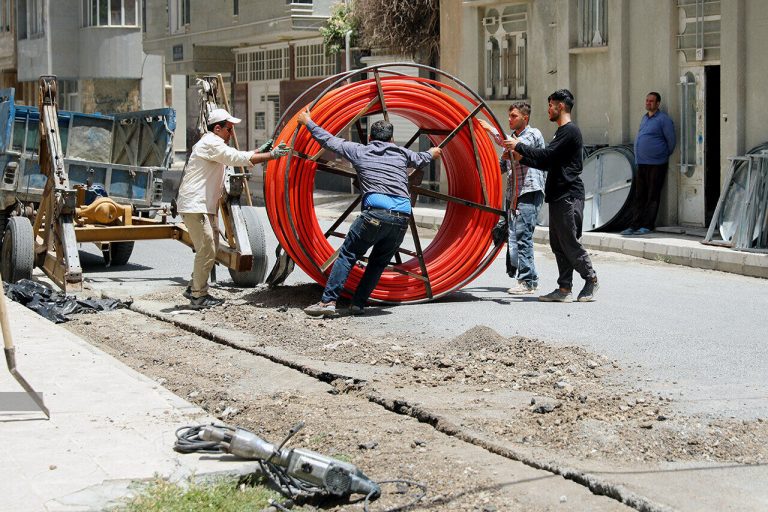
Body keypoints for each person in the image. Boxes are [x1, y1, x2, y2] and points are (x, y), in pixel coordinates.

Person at [297, 108, 442, 317]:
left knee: (348, 254)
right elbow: (422, 158)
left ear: (369, 138)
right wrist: (433, 153)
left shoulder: (360, 151)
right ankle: (358, 304)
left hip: (375, 215)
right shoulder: (402, 153)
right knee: (378, 263)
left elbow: (328, 141)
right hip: (402, 218)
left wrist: (308, 122)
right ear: (392, 139)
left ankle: (328, 302)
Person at [177, 108, 288, 308]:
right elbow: (235, 158)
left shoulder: (215, 143)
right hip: (195, 205)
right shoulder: (211, 143)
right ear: (217, 128)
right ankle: (198, 296)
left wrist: (258, 152)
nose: (231, 133)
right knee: (207, 248)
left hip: (203, 205)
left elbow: (235, 155)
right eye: (229, 129)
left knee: (212, 247)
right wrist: (271, 155)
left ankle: (194, 287)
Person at [504, 89, 599, 303]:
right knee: (558, 244)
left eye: (551, 105)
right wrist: (521, 157)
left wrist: (519, 146)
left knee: (569, 241)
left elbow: (548, 154)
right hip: (558, 196)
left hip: (569, 195)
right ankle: (564, 289)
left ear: (561, 106)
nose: (548, 109)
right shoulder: (560, 133)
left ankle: (591, 279)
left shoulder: (570, 131)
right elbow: (547, 162)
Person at [479, 102, 546, 295]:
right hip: (514, 193)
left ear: (525, 118)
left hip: (529, 191)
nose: (509, 120)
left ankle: (526, 281)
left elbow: (516, 147)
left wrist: (492, 131)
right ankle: (530, 279)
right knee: (516, 236)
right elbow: (501, 165)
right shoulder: (514, 139)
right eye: (509, 116)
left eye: (514, 116)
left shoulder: (533, 134)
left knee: (523, 235)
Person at [622, 92, 676, 236]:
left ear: (658, 103)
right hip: (642, 163)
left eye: (651, 101)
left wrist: (660, 154)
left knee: (653, 195)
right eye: (647, 100)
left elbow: (671, 142)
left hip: (656, 163)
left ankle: (647, 225)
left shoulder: (663, 119)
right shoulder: (644, 118)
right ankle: (634, 225)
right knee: (639, 195)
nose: (648, 103)